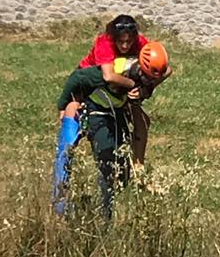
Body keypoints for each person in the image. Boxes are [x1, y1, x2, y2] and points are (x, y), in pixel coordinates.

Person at [52, 42, 169, 219]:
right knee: (69, 139)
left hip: (113, 108)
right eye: (146, 80)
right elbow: (77, 78)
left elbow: (166, 72)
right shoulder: (113, 72)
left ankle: (113, 197)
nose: (148, 83)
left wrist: (145, 90)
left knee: (138, 128)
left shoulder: (146, 75)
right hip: (86, 100)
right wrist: (62, 105)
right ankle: (59, 201)